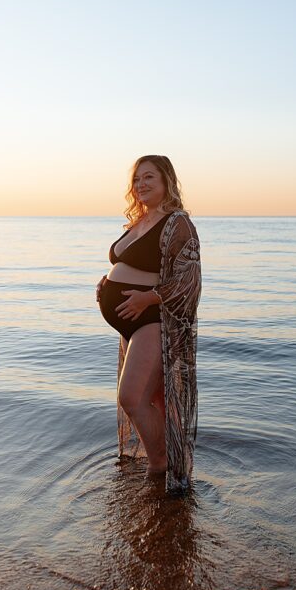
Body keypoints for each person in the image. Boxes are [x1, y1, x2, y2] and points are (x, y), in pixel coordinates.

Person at [96, 155, 200, 493]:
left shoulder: (177, 222)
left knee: (132, 396)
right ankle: (170, 469)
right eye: (137, 178)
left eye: (149, 177)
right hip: (132, 325)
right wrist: (107, 282)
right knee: (155, 399)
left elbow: (189, 278)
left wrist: (148, 297)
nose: (141, 184)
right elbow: (130, 265)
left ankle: (162, 469)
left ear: (167, 180)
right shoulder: (138, 221)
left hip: (154, 321)